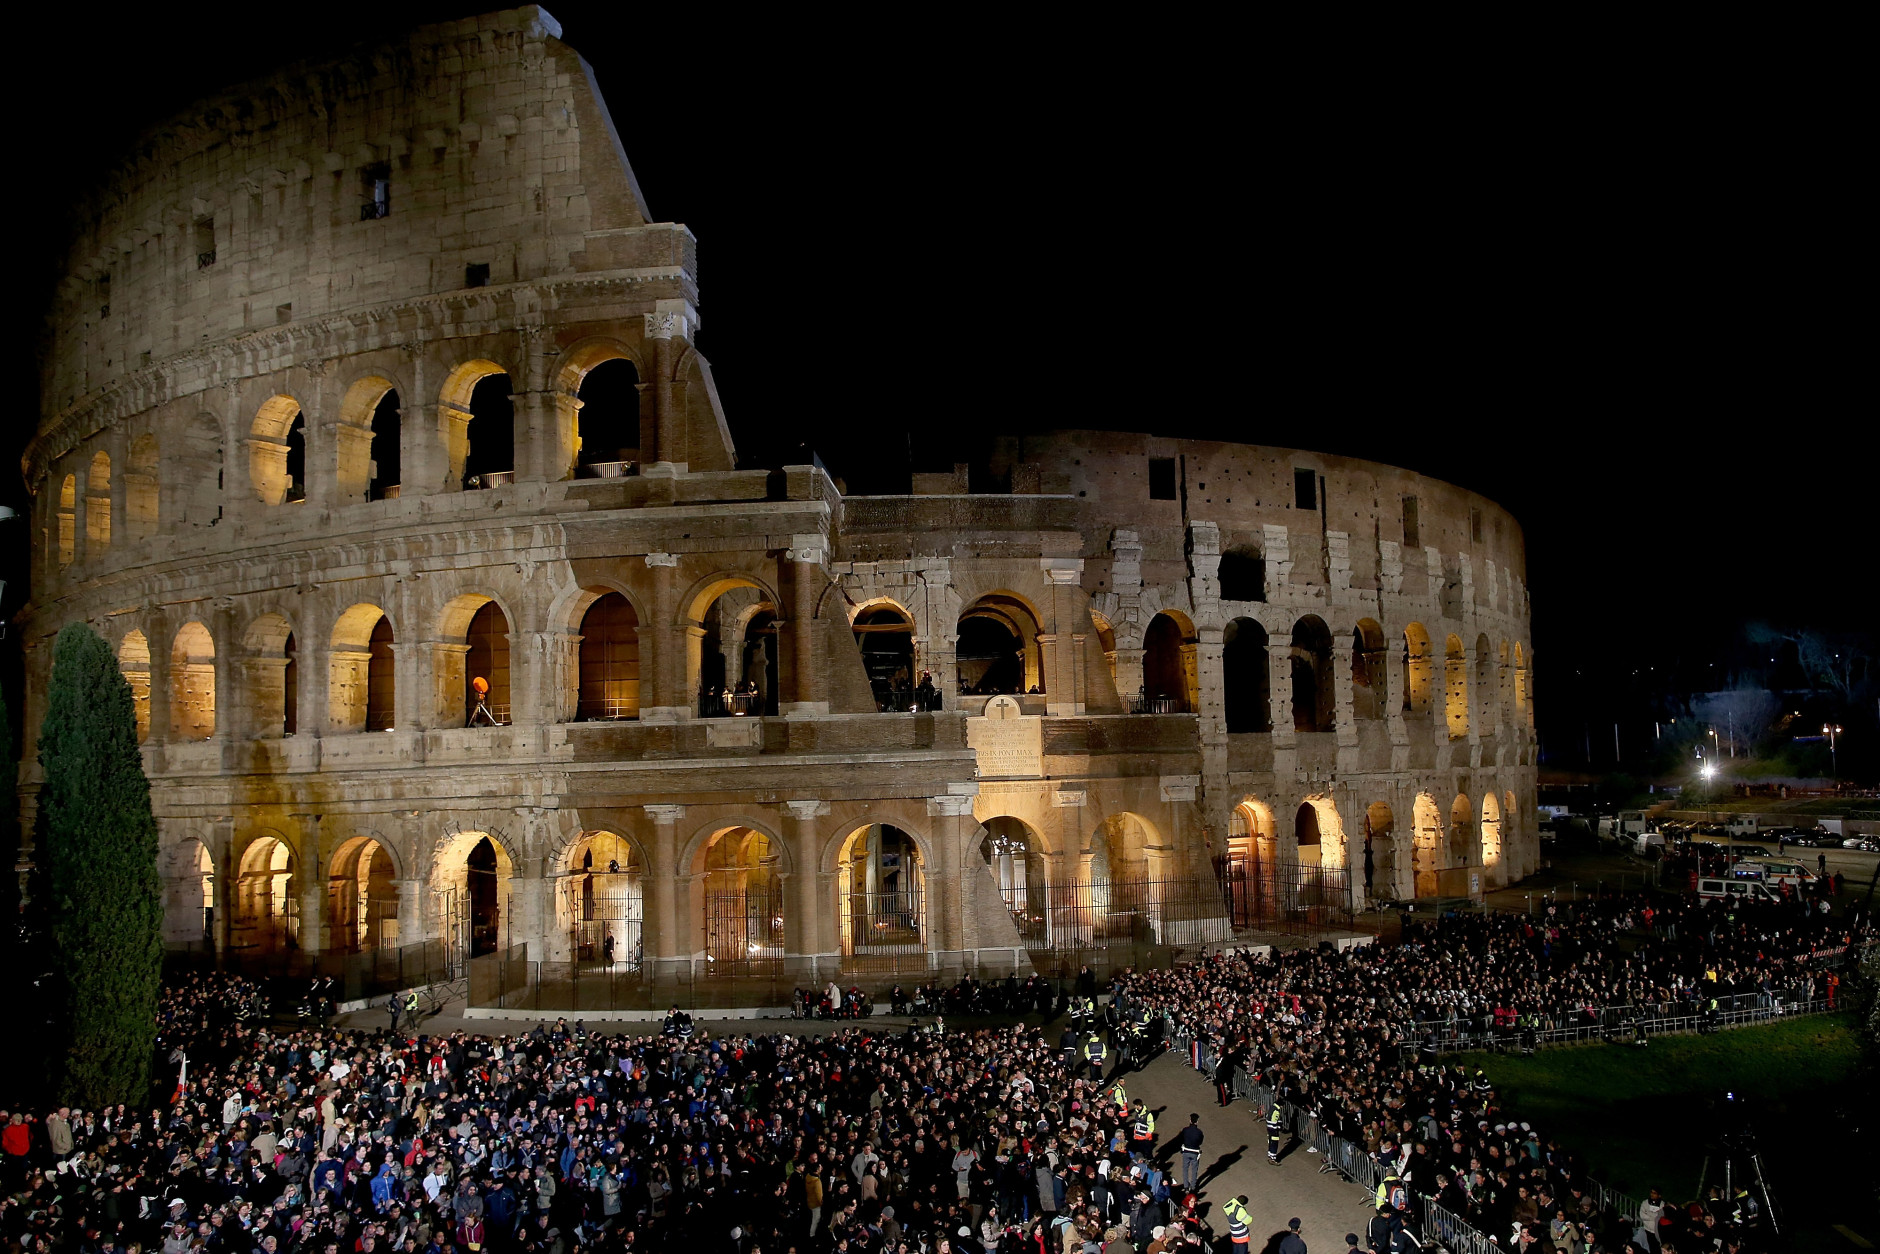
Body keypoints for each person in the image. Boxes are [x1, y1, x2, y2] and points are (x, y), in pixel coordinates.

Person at [1178, 1114, 1204, 1192]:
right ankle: (1193, 1187)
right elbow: (1200, 1142)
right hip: (1195, 1152)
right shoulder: (1199, 1132)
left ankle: (1186, 1186)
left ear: (1190, 1121)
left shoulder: (1185, 1130)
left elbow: (1181, 1138)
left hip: (1186, 1151)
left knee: (1185, 1169)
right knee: (1194, 1170)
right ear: (1197, 1122)